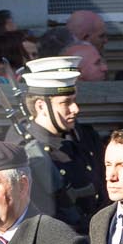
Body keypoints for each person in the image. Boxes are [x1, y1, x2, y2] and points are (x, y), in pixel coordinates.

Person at [18, 58, 103, 230]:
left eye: (74, 100)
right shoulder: (23, 150)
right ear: (41, 106)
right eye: (65, 103)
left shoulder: (83, 136)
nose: (75, 109)